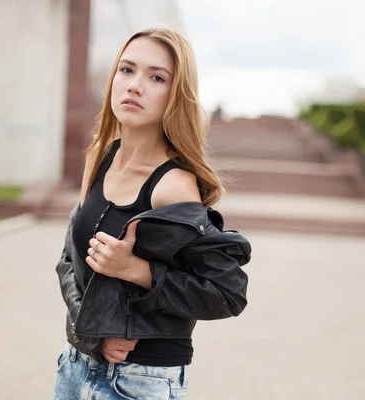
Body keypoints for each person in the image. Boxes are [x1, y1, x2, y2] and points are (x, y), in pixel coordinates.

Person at [54, 27, 251, 400]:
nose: (135, 85)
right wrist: (91, 332)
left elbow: (227, 292)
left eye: (156, 77)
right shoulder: (102, 158)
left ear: (176, 96)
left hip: (136, 382)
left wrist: (136, 269)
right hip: (74, 369)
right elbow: (69, 261)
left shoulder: (172, 186)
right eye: (127, 70)